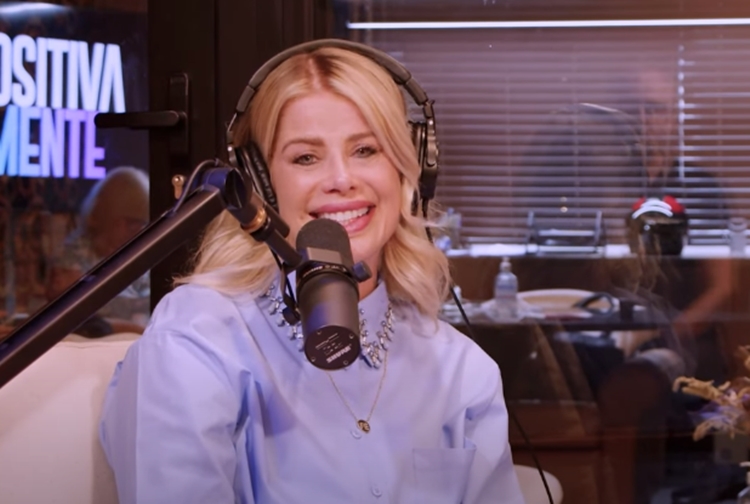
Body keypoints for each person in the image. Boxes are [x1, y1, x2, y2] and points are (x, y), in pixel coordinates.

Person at [99, 42, 525, 503]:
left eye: (366, 149)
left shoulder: (462, 370)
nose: (341, 179)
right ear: (261, 183)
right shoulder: (196, 337)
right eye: (306, 157)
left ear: (408, 171)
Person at [47, 166, 150, 336]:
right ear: (103, 217)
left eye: (140, 224)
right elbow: (82, 318)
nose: (136, 231)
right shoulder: (73, 255)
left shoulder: (144, 255)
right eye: (129, 223)